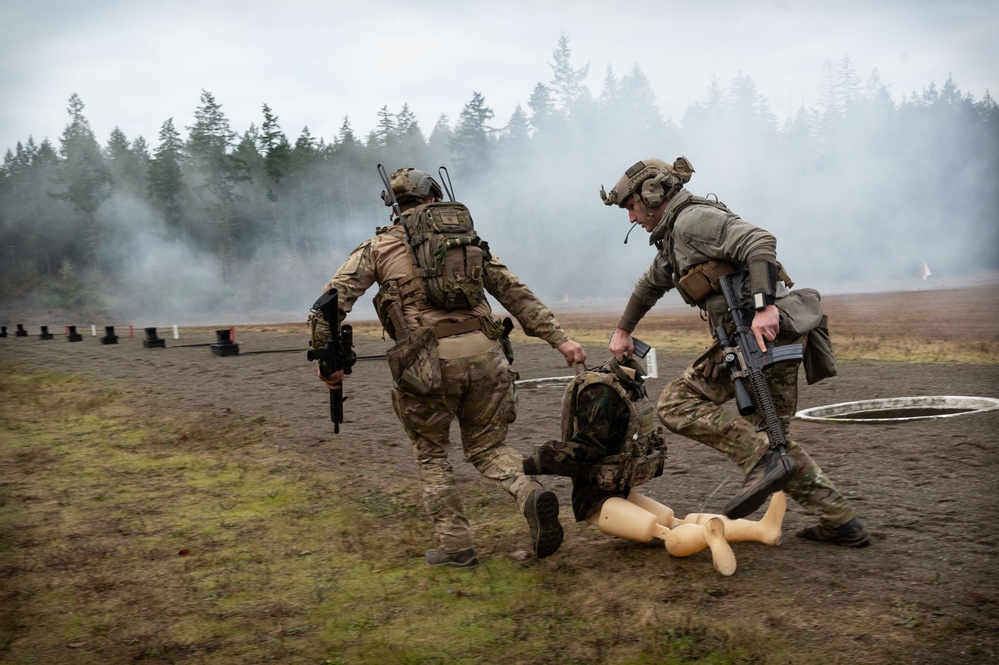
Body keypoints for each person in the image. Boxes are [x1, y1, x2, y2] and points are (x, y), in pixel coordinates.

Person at [309, 166, 587, 568]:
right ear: (435, 199)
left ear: (394, 207)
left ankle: (457, 546)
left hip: (427, 365)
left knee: (432, 454)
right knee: (488, 448)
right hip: (488, 356)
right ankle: (529, 492)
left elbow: (329, 305)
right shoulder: (468, 243)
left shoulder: (379, 247)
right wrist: (561, 340)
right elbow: (516, 293)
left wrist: (327, 360)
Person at [597, 157, 870, 548]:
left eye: (630, 207)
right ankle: (842, 522)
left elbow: (760, 241)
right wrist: (623, 330)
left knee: (676, 403)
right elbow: (649, 285)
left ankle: (764, 461)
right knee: (776, 438)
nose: (630, 218)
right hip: (758, 342)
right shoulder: (674, 238)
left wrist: (762, 307)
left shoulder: (693, 222)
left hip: (764, 336)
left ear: (652, 194)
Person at [523, 356, 788, 576]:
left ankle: (711, 534)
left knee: (663, 533)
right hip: (620, 490)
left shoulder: (600, 393)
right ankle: (760, 529)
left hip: (596, 502)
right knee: (675, 520)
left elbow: (583, 451)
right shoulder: (628, 389)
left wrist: (532, 462)